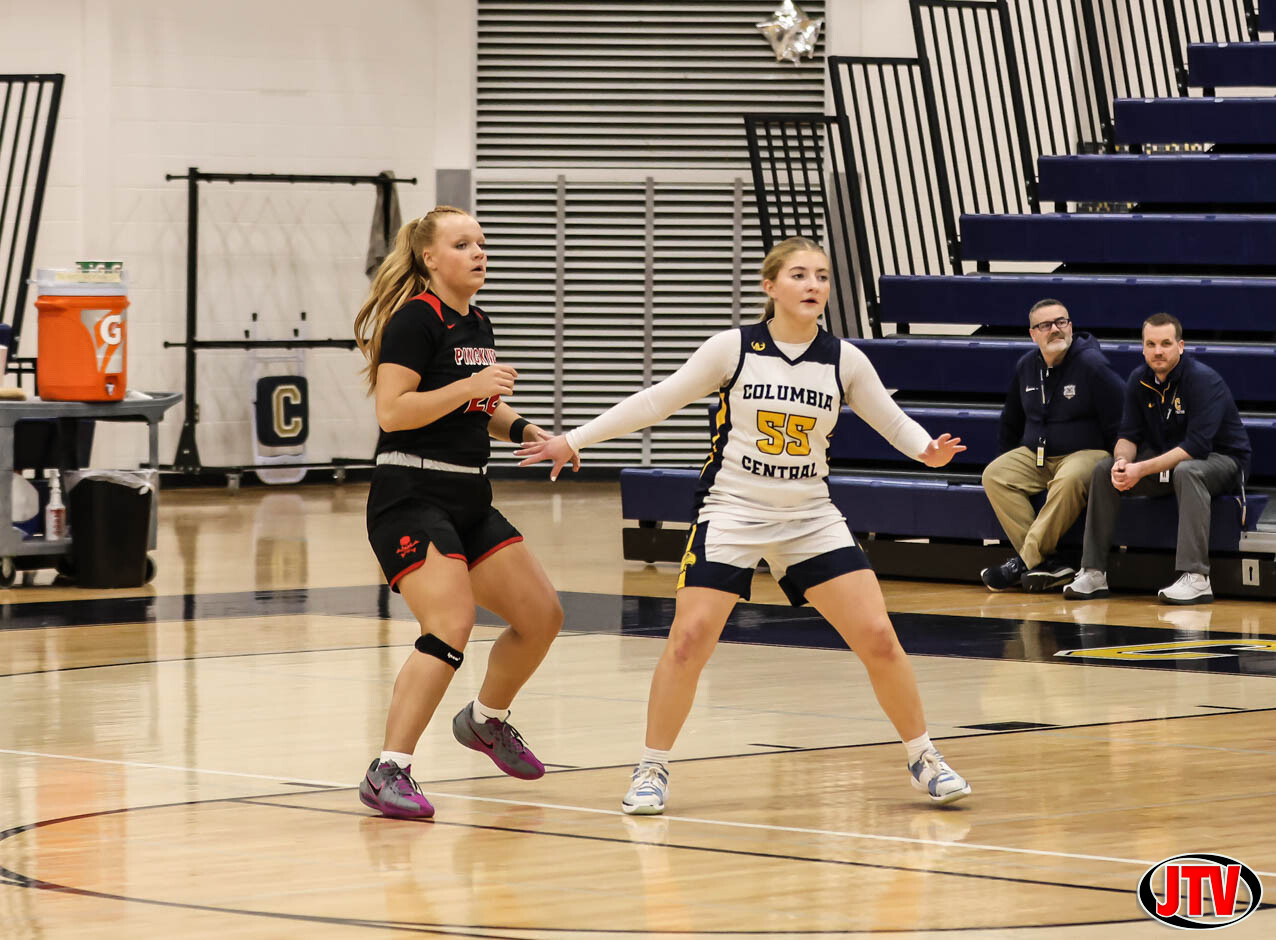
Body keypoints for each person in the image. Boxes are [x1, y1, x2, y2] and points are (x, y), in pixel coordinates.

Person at [517, 236, 973, 815]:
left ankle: (924, 757)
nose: (813, 285)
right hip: (733, 511)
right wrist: (574, 439)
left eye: (822, 276)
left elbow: (894, 422)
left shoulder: (844, 359)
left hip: (809, 516)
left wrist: (927, 450)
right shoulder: (732, 348)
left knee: (880, 638)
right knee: (688, 640)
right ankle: (651, 767)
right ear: (770, 286)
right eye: (800, 275)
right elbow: (656, 401)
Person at [351, 206, 569, 819]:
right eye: (462, 244)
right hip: (410, 495)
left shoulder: (476, 321)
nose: (478, 253)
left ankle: (485, 720)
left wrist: (526, 429)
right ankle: (388, 769)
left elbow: (478, 406)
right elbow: (394, 411)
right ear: (430, 258)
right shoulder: (414, 320)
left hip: (470, 496)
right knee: (450, 623)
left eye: (481, 243)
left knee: (542, 616)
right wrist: (472, 388)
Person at [1064, 313, 1251, 605]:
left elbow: (1196, 447)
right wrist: (1123, 463)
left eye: (1165, 343)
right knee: (1104, 470)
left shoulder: (1203, 380)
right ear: (1143, 348)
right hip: (1169, 461)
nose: (1158, 351)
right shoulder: (1139, 380)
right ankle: (1093, 572)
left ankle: (1197, 577)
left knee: (1187, 471)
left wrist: (1141, 469)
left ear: (1181, 346)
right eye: (1151, 344)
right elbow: (1128, 435)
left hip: (1222, 461)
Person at [980, 299, 1124, 592]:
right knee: (995, 474)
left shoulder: (1092, 365)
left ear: (1070, 326)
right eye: (1045, 325)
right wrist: (1008, 455)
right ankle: (1047, 565)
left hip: (1087, 453)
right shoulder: (1026, 366)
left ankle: (1023, 561)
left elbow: (1122, 416)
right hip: (1038, 455)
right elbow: (1011, 421)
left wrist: (1121, 462)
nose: (1055, 329)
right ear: (1033, 334)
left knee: (1069, 477)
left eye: (1061, 322)